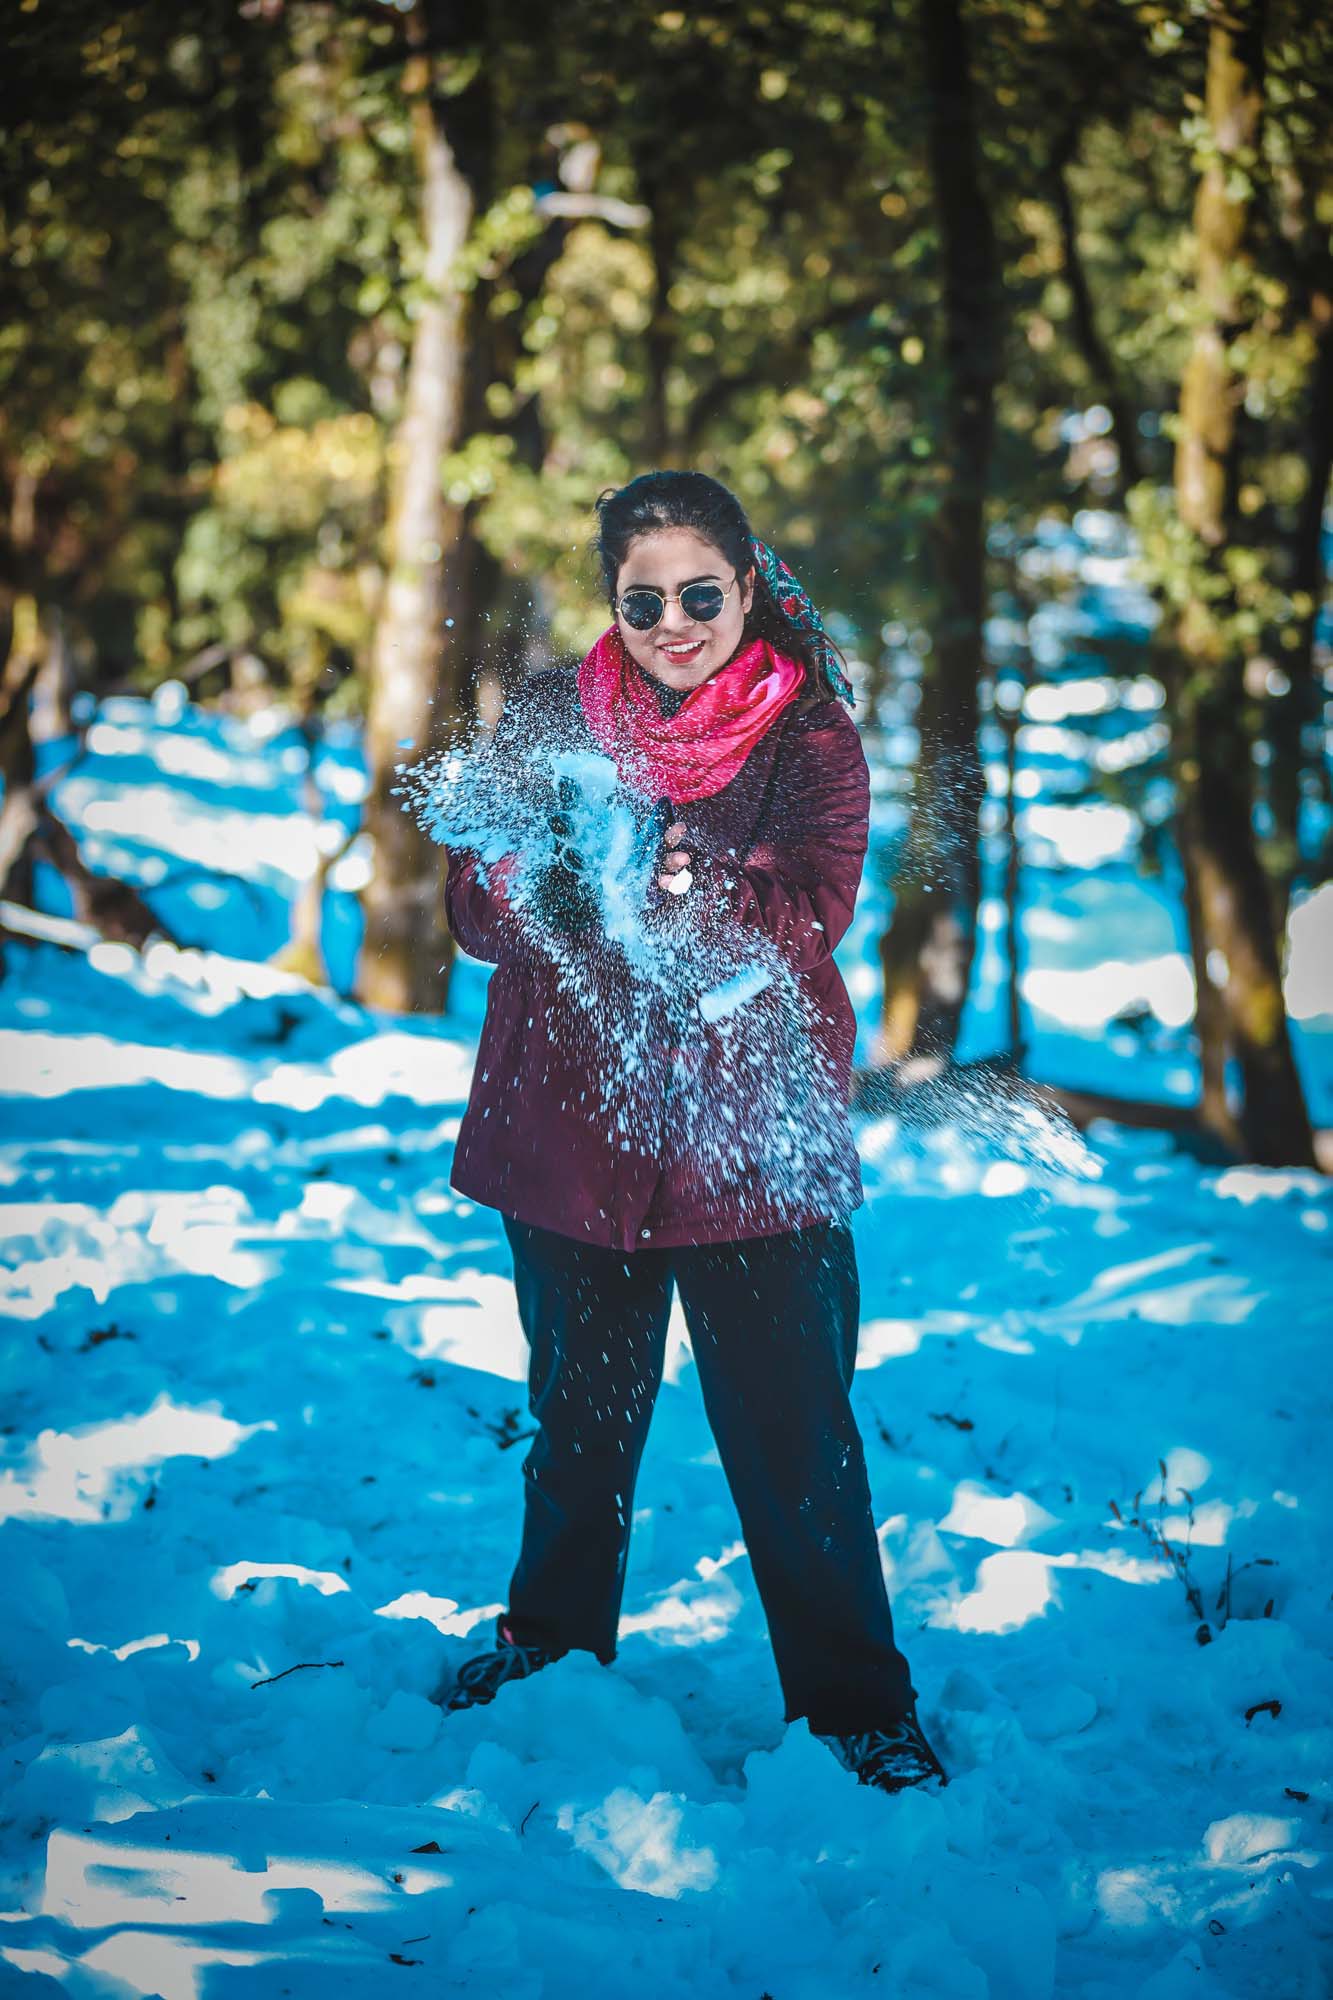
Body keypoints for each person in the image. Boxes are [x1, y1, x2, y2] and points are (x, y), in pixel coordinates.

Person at [435, 470, 945, 1795]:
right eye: (643, 601)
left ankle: (856, 1709)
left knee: (793, 1438)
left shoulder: (808, 732)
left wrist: (705, 887)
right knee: (577, 1426)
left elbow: (813, 912)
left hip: (748, 1154)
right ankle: (550, 1652)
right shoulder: (551, 713)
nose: (674, 623)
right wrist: (521, 880)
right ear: (613, 602)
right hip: (573, 1139)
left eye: (700, 596)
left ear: (745, 586)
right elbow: (473, 913)